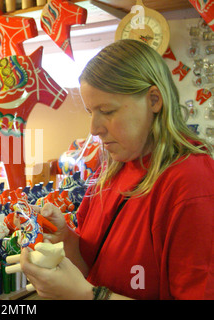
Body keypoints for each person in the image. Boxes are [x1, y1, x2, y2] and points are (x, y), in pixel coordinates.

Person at [20, 39, 214, 300]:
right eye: (90, 111)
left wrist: (88, 296)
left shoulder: (192, 183)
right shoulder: (112, 168)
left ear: (154, 100)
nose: (94, 129)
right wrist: (66, 238)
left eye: (107, 111)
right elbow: (96, 266)